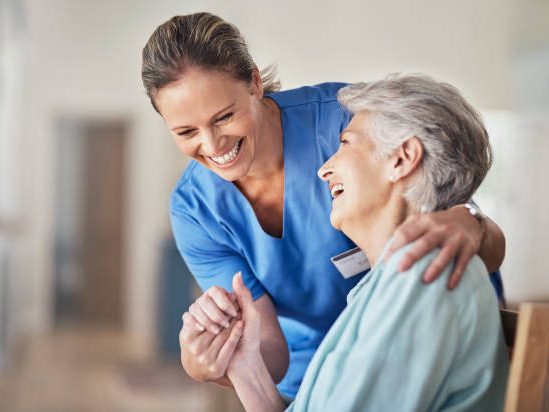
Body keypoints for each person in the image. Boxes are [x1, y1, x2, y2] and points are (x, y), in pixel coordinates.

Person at [141, 12, 506, 398]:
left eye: (225, 116)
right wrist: (218, 359)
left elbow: (452, 195)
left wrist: (470, 221)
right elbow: (264, 345)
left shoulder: (349, 123)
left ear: (254, 82)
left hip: (417, 338)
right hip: (321, 377)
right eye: (186, 132)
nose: (213, 146)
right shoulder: (196, 208)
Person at [226, 74, 509, 411]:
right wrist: (247, 369)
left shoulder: (423, 278)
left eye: (346, 143)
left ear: (402, 159)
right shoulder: (387, 283)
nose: (324, 170)